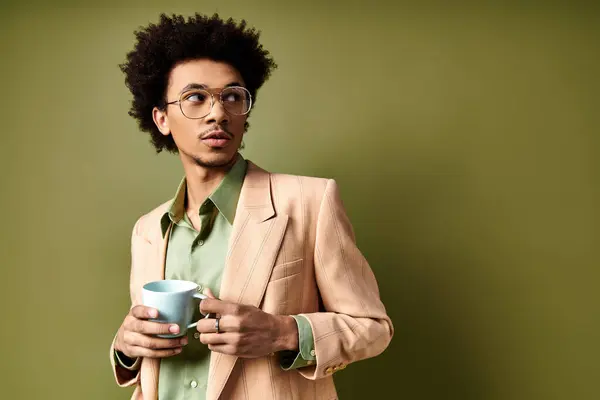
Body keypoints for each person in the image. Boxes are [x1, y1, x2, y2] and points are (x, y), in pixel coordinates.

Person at [110, 13, 393, 400]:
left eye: (231, 96)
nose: (217, 113)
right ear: (161, 119)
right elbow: (146, 347)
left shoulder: (311, 202)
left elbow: (374, 328)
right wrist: (126, 348)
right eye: (195, 97)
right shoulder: (147, 230)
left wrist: (282, 332)